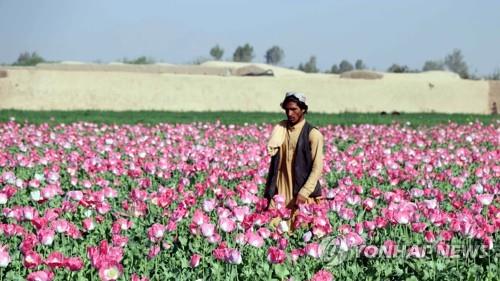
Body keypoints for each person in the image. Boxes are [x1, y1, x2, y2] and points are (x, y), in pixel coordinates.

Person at [265, 92, 324, 229]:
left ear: (303, 109)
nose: (290, 113)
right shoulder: (281, 130)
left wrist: (304, 192)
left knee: (300, 231)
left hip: (301, 193)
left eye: (294, 109)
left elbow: (317, 168)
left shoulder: (313, 134)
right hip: (281, 192)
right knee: (273, 230)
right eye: (287, 109)